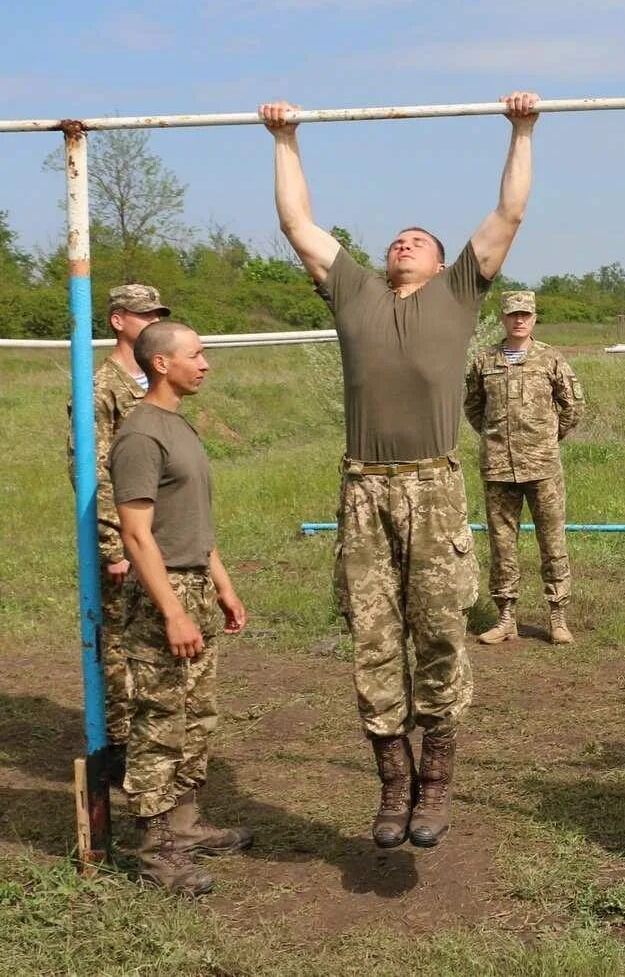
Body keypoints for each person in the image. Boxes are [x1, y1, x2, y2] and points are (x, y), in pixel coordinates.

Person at [259, 91, 540, 848]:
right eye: (398, 237)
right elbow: (297, 224)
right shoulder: (353, 292)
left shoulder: (457, 296)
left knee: (440, 633)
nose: (404, 241)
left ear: (446, 263)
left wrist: (521, 129)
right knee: (374, 639)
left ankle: (437, 783)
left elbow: (507, 213)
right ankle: (392, 784)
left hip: (433, 486)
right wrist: (286, 138)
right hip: (362, 489)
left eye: (419, 238)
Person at [111, 320, 250, 895]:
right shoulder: (141, 435)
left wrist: (222, 585)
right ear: (161, 364)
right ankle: (156, 851)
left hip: (194, 585)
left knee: (197, 718)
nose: (206, 363)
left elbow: (194, 521)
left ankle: (187, 828)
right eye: (196, 354)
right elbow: (138, 535)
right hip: (162, 593)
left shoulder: (178, 425)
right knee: (160, 723)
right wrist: (172, 611)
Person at [69, 284, 170, 780]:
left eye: (158, 314)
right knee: (119, 649)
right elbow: (91, 469)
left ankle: (154, 742)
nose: (152, 320)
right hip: (126, 540)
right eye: (143, 314)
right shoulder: (101, 386)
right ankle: (121, 750)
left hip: (158, 532)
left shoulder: (154, 378)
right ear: (117, 320)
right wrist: (113, 544)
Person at [465, 289, 584, 645]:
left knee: (553, 542)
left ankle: (558, 617)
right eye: (513, 314)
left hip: (543, 467)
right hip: (499, 468)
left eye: (526, 315)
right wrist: (497, 437)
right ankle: (505, 617)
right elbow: (473, 407)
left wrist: (547, 438)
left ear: (533, 318)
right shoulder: (484, 360)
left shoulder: (550, 359)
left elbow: (573, 406)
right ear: (503, 318)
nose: (519, 320)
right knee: (502, 545)